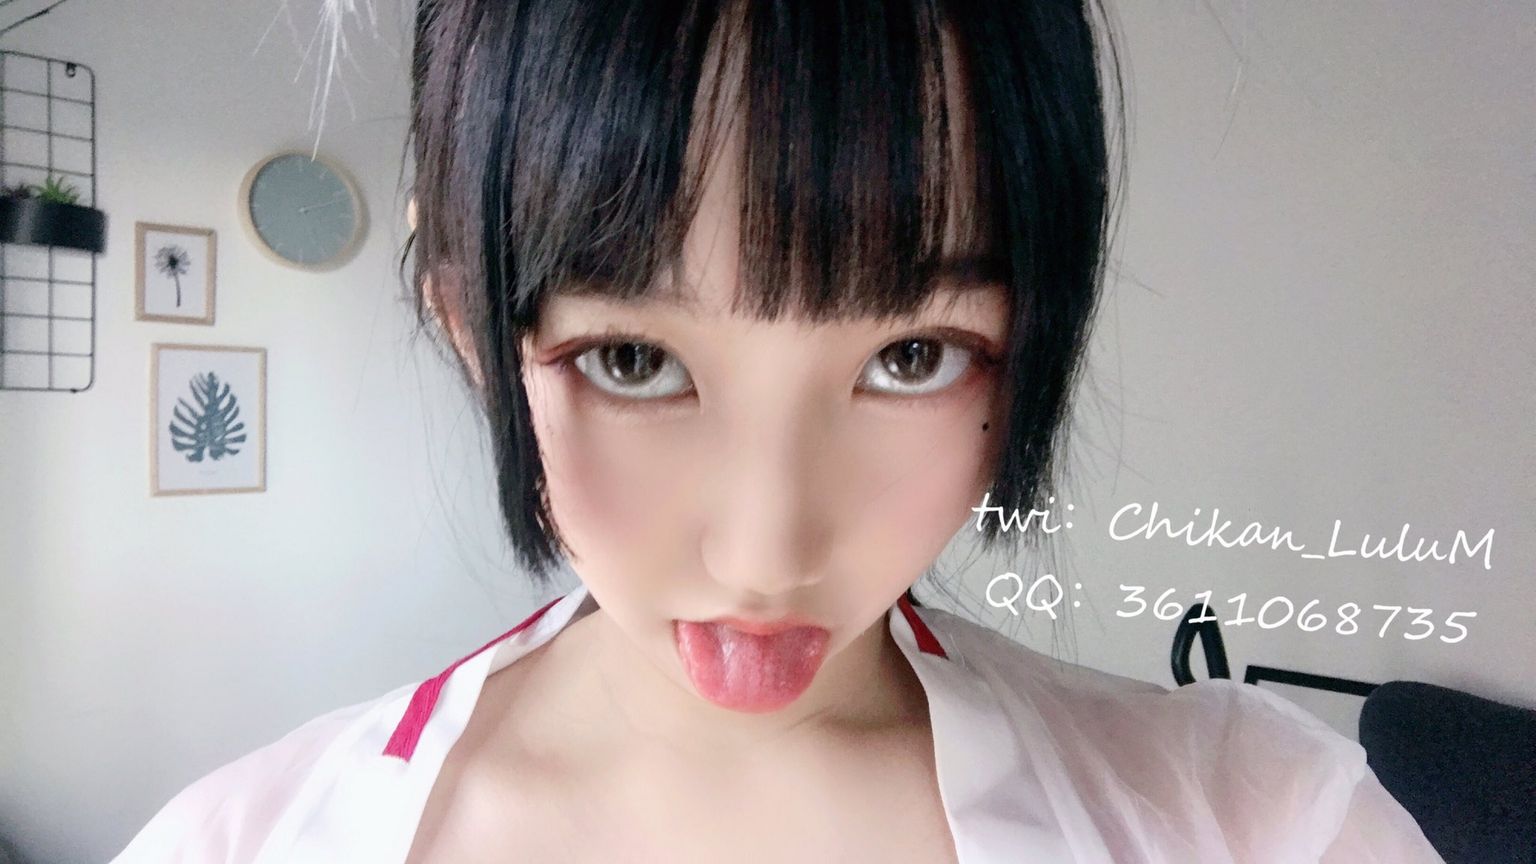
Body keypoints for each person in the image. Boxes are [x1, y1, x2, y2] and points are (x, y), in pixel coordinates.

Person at [112, 0, 1447, 861]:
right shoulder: (237, 844)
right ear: (471, 326)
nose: (764, 553)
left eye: (911, 357)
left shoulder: (1258, 821)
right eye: (635, 360)